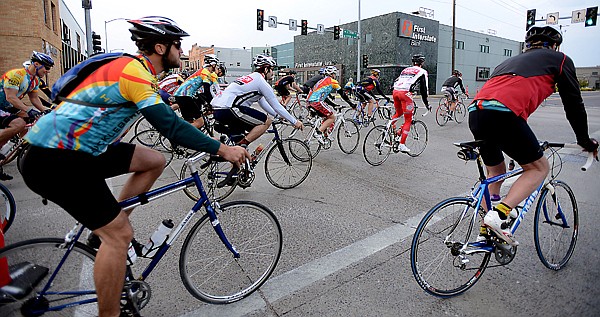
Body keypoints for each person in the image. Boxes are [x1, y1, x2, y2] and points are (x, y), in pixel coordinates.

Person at [21, 16, 248, 317]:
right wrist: (224, 149)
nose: (180, 52)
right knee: (119, 235)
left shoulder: (138, 70)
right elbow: (170, 126)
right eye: (177, 45)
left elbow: (164, 106)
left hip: (83, 151)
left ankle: (103, 228)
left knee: (153, 159)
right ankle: (110, 308)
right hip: (56, 159)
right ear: (160, 46)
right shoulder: (133, 72)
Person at [469, 25, 598, 246]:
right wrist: (585, 141)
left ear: (528, 46)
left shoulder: (508, 62)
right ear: (555, 46)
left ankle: (486, 231)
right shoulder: (559, 59)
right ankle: (498, 216)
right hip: (504, 114)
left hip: (477, 112)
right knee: (539, 167)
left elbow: (510, 97)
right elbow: (574, 104)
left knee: (496, 172)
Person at [211, 54, 303, 187]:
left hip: (220, 110)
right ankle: (243, 144)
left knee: (239, 144)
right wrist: (294, 121)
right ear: (266, 69)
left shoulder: (250, 79)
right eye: (272, 69)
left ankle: (235, 173)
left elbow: (264, 103)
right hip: (230, 109)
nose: (273, 72)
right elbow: (276, 105)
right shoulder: (260, 81)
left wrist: (279, 116)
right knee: (266, 122)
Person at [0, 51, 54, 180]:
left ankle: (18, 152)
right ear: (36, 64)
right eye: (46, 68)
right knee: (19, 124)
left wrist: (48, 110)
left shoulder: (35, 80)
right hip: (2, 105)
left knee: (32, 120)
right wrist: (28, 109)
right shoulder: (16, 74)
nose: (48, 71)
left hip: (9, 107)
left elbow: (35, 99)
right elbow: (11, 97)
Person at [390, 54, 431, 153]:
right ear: (422, 63)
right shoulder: (422, 72)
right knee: (408, 119)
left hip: (395, 91)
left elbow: (396, 81)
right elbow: (424, 89)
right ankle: (402, 144)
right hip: (405, 93)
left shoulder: (405, 70)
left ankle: (390, 128)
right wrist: (426, 104)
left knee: (398, 113)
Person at [306, 66, 355, 144]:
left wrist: (333, 105)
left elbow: (323, 97)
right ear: (332, 74)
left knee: (326, 116)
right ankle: (318, 133)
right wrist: (351, 104)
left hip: (309, 101)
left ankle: (325, 134)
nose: (335, 76)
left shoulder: (321, 81)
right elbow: (342, 94)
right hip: (316, 102)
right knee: (332, 117)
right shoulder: (332, 81)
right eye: (335, 74)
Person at [172, 54, 222, 128]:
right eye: (216, 65)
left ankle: (181, 136)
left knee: (189, 121)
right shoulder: (205, 73)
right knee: (200, 122)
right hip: (185, 95)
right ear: (213, 64)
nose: (217, 67)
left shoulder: (203, 71)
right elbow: (207, 91)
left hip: (181, 94)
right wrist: (212, 104)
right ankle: (177, 133)